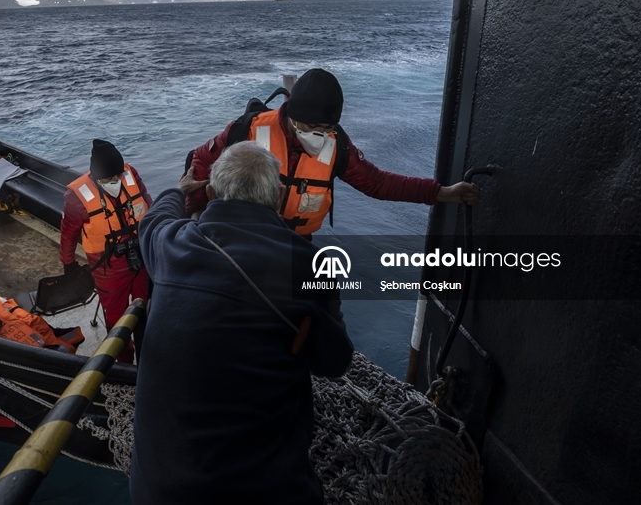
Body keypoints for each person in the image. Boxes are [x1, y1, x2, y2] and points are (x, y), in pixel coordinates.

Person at [131, 142, 354, 505]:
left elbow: (154, 220)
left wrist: (179, 188)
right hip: (258, 491)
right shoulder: (311, 265)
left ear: (212, 193)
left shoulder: (172, 244)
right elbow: (333, 363)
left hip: (156, 491)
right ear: (280, 197)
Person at [186, 68, 479, 238]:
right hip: (237, 239)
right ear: (291, 115)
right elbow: (200, 162)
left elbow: (378, 183)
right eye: (312, 126)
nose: (319, 135)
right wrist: (197, 216)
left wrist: (440, 192)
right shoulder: (245, 130)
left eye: (326, 127)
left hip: (295, 247)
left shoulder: (336, 144)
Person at [60, 139, 152, 363]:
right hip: (108, 267)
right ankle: (124, 359)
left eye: (118, 177)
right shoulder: (76, 197)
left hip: (140, 256)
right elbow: (68, 234)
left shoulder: (130, 174)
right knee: (116, 318)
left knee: (147, 307)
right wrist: (68, 264)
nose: (116, 182)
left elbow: (149, 204)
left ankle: (148, 352)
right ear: (95, 176)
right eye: (109, 179)